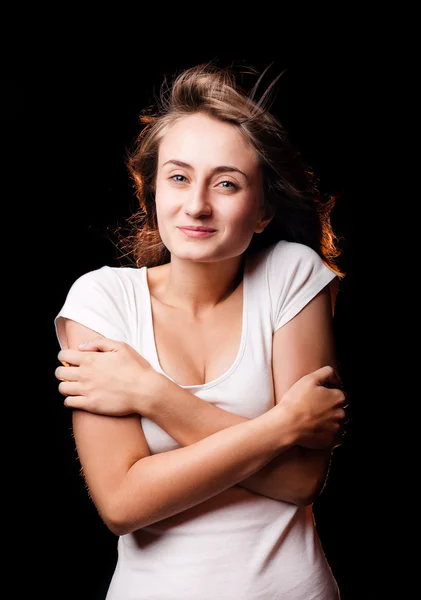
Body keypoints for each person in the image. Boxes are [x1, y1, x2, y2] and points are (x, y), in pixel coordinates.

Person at [54, 62, 348, 600]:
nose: (197, 205)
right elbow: (122, 504)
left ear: (262, 211)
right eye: (179, 177)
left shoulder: (291, 276)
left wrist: (152, 394)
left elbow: (301, 481)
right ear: (152, 192)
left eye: (228, 183)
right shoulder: (102, 301)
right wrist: (282, 425)